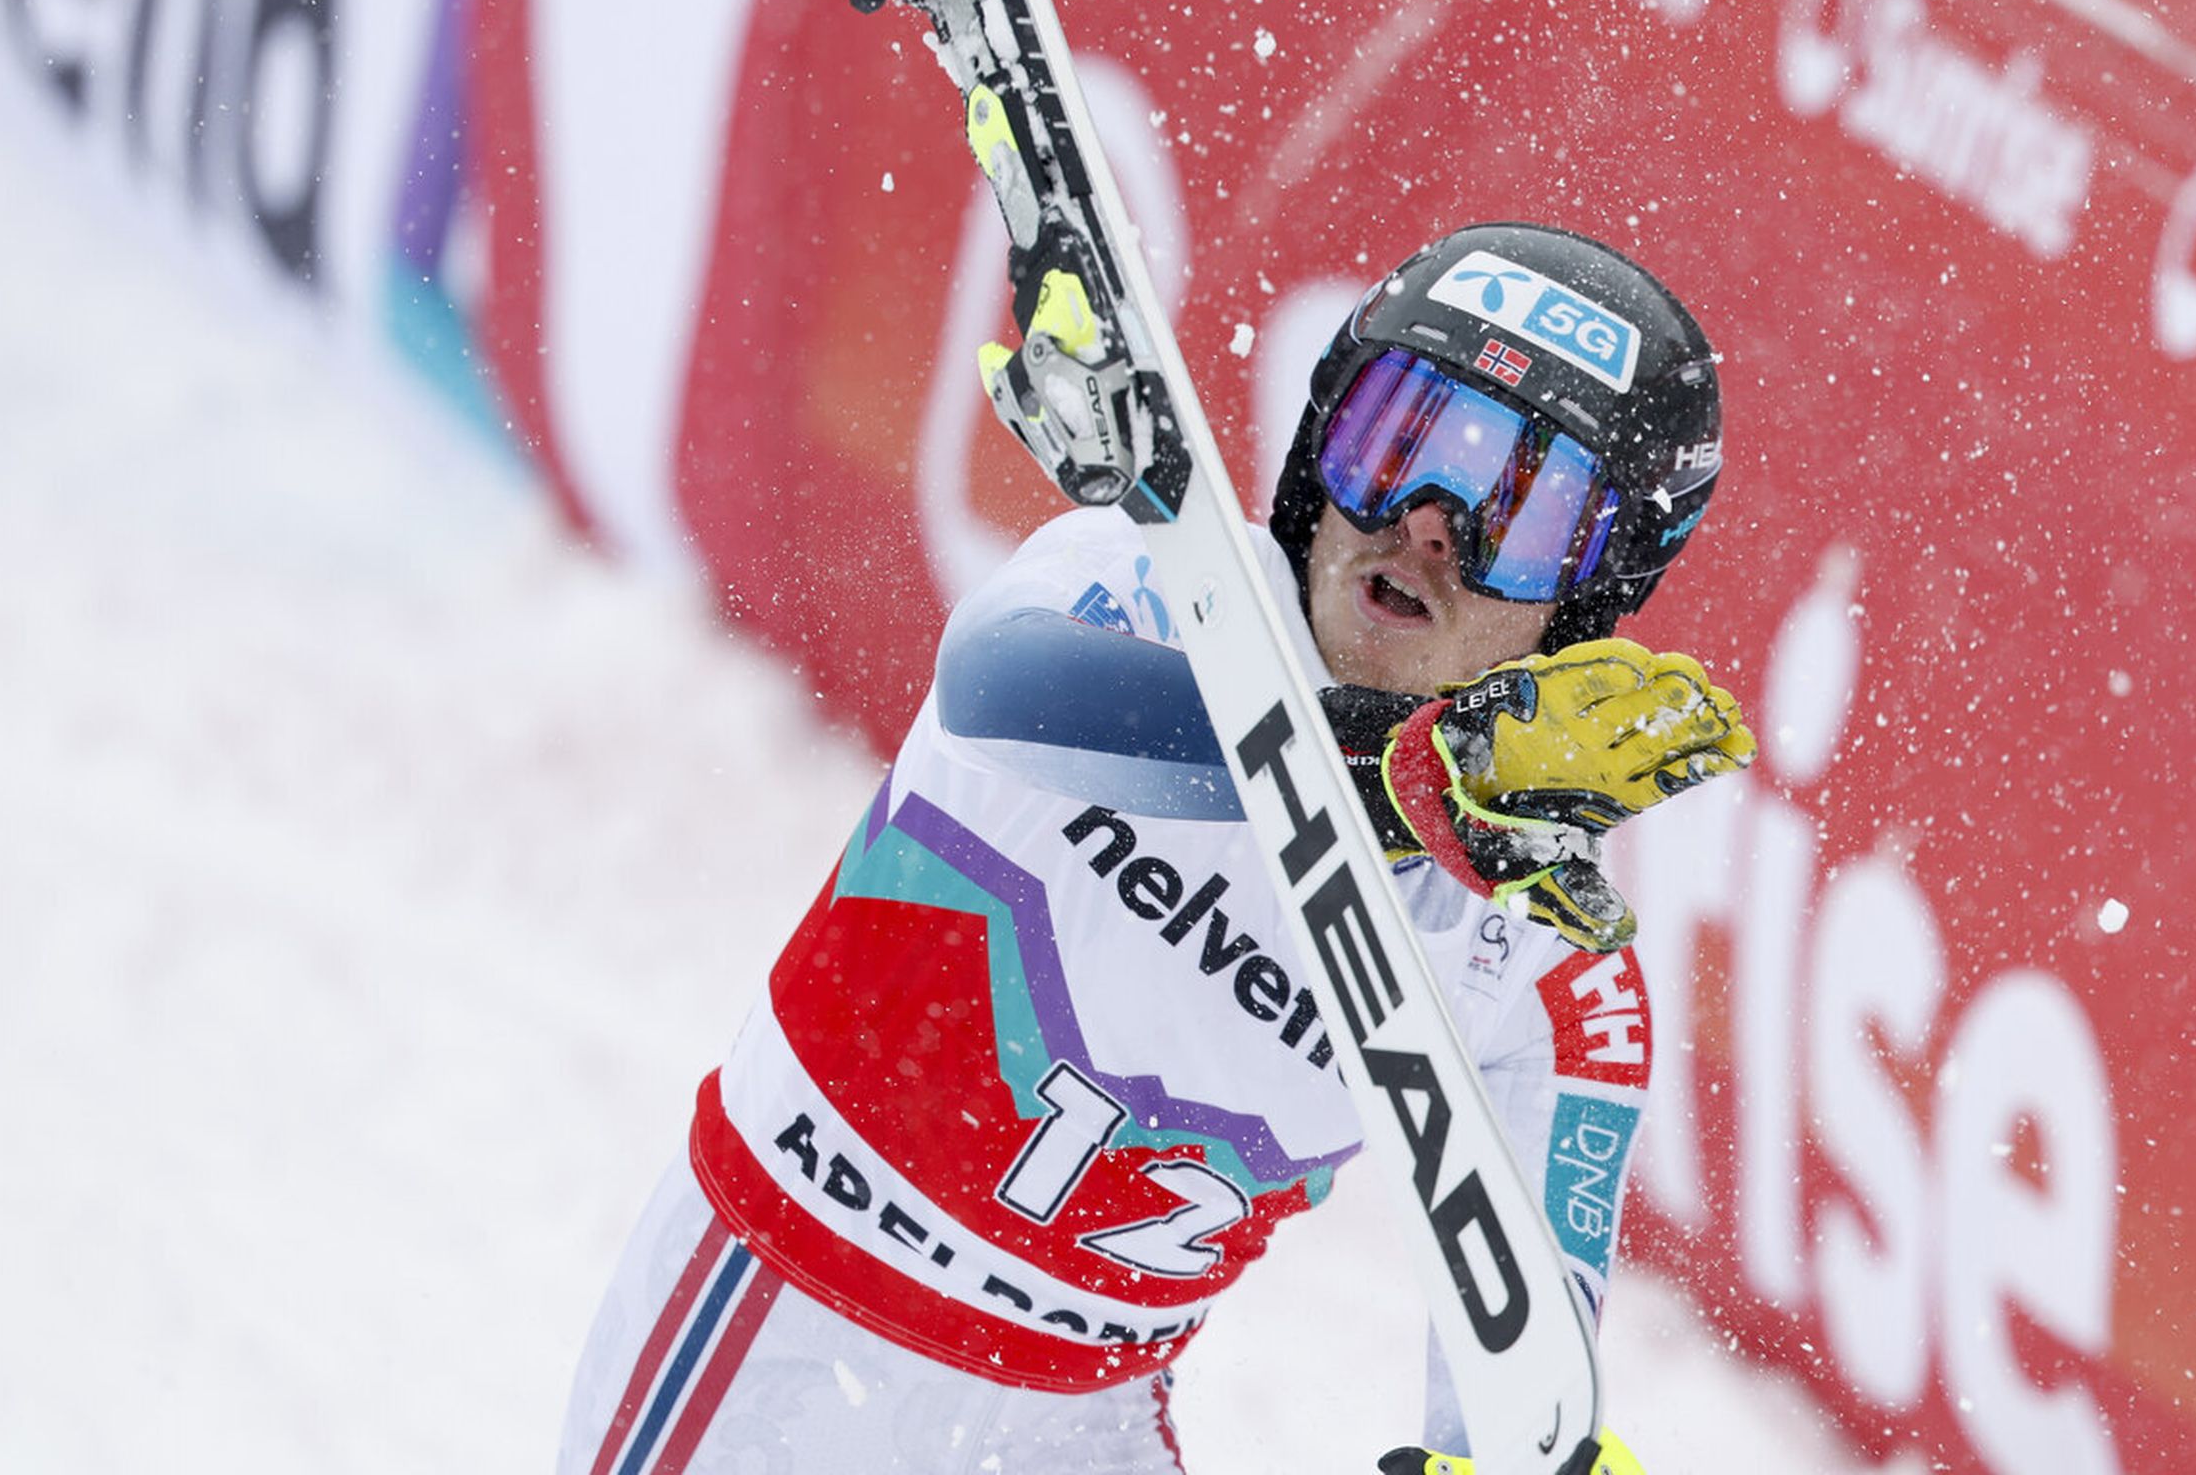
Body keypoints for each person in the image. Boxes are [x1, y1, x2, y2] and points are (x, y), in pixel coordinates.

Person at [559, 223, 1752, 1475]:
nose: (1430, 528)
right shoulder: (1137, 587)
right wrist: (1402, 775)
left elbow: (1526, 1391)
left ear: (1592, 596)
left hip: (1077, 1423)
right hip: (790, 1323)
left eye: (1523, 505)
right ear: (1317, 448)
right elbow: (1000, 690)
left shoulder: (1552, 960)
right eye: (1397, 441)